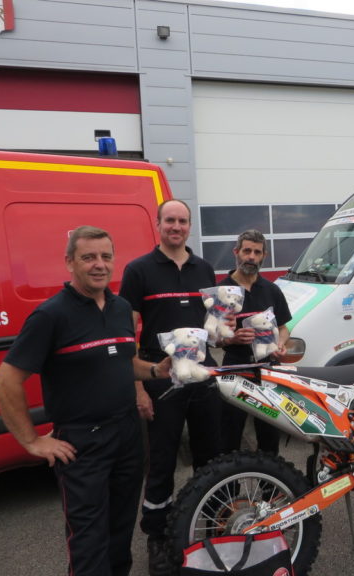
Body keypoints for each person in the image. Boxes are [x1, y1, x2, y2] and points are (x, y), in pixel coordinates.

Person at [0, 225, 171, 576]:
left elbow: (124, 361)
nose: (99, 264)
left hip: (128, 434)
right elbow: (5, 382)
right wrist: (31, 441)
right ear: (69, 262)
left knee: (120, 534)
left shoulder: (121, 308)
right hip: (82, 444)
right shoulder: (51, 315)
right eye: (88, 257)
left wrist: (155, 371)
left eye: (105, 256)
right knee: (88, 542)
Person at [119, 199, 225, 576]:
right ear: (158, 224)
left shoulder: (204, 268)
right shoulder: (138, 270)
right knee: (162, 460)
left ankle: (209, 523)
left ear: (189, 226)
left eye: (182, 221)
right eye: (170, 221)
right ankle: (158, 537)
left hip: (201, 372)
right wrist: (138, 388)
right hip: (160, 375)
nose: (176, 227)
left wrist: (228, 331)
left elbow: (214, 325)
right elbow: (126, 333)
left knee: (210, 455)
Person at [218, 229, 292, 455]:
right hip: (236, 369)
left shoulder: (271, 290)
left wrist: (280, 344)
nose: (251, 257)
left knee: (269, 437)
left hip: (268, 371)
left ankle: (269, 478)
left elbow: (283, 328)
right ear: (236, 252)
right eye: (247, 251)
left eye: (257, 252)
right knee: (230, 435)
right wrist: (231, 338)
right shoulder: (222, 292)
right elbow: (212, 338)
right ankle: (232, 477)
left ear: (263, 256)